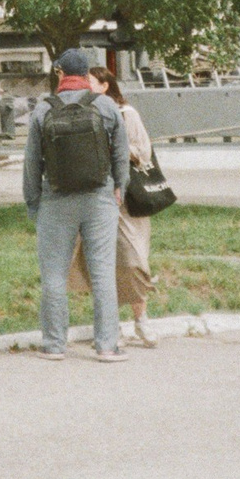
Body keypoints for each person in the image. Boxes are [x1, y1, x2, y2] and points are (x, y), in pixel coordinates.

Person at [23, 48, 131, 362]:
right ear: (86, 75)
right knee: (102, 274)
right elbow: (120, 154)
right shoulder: (106, 105)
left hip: (56, 201)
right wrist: (120, 187)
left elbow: (32, 163)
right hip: (99, 199)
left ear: (60, 73)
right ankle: (107, 346)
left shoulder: (43, 109)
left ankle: (54, 345)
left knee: (54, 275)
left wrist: (34, 203)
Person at [75, 66, 161, 347]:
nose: (84, 87)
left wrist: (117, 149)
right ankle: (110, 326)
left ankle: (141, 320)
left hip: (126, 200)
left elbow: (143, 151)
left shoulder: (127, 114)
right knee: (99, 263)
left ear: (104, 85)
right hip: (95, 196)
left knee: (134, 261)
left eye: (89, 82)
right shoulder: (84, 114)